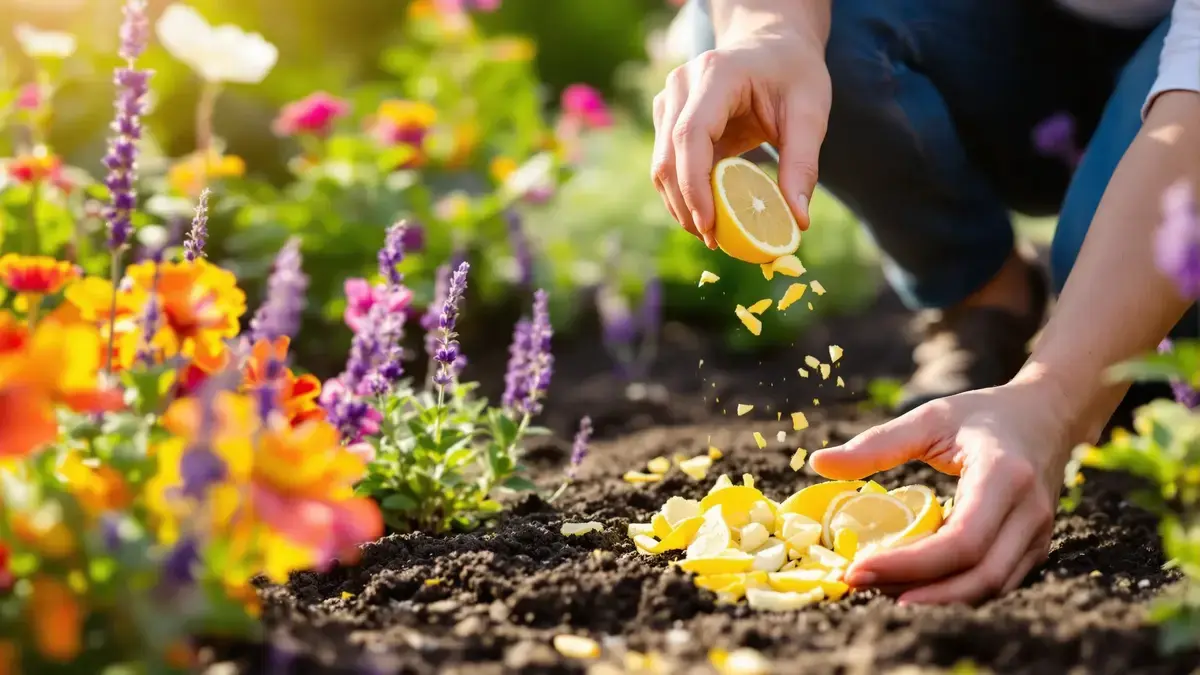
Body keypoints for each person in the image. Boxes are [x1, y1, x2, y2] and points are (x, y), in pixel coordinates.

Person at [653, 0, 1200, 605]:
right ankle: (986, 300)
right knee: (749, 32)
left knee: (1151, 261)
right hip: (1009, 45)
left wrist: (1055, 401)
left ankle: (1140, 366)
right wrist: (770, 31)